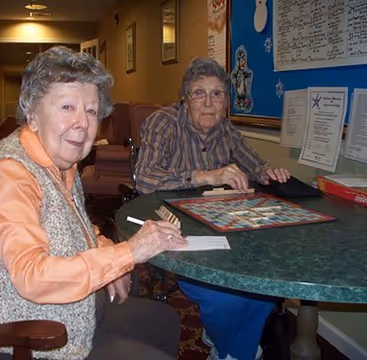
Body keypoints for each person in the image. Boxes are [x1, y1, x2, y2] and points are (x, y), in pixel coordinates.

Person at [0, 46, 187, 360]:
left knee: (166, 323)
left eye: (91, 111)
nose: (83, 123)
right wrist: (128, 253)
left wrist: (110, 255)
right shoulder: (8, 175)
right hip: (22, 337)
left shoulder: (61, 164)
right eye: (67, 107)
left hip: (67, 313)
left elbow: (73, 228)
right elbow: (32, 276)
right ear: (32, 114)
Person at [135, 57, 290, 360]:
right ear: (185, 98)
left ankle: (227, 343)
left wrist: (268, 171)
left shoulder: (226, 130)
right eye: (199, 93)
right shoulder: (163, 122)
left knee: (265, 284)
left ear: (225, 102)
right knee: (222, 293)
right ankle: (235, 350)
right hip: (174, 224)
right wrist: (204, 175)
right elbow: (144, 178)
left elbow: (255, 163)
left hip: (222, 222)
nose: (208, 102)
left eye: (217, 94)